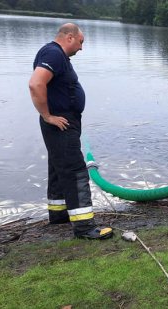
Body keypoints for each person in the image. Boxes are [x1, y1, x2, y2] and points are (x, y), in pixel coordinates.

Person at [29, 23, 113, 240]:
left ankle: (58, 215)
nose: (81, 48)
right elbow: (35, 84)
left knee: (58, 169)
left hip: (62, 123)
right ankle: (85, 227)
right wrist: (48, 116)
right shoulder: (53, 54)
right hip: (60, 124)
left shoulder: (54, 54)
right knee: (76, 171)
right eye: (80, 42)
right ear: (69, 37)